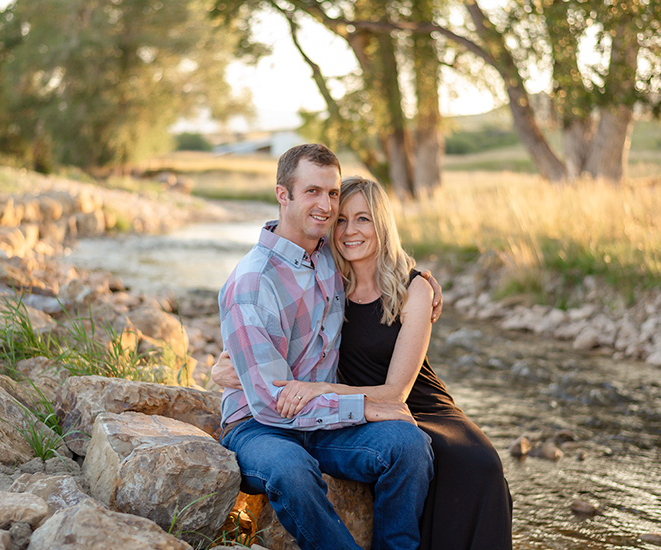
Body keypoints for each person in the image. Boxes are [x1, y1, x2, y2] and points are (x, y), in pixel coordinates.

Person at [217, 175, 514, 550]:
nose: (349, 230)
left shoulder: (407, 285)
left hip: (397, 404)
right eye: (341, 219)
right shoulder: (324, 273)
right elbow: (255, 328)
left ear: (382, 225)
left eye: (363, 219)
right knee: (294, 469)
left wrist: (319, 387)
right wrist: (227, 367)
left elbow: (396, 395)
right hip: (335, 410)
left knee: (471, 462)